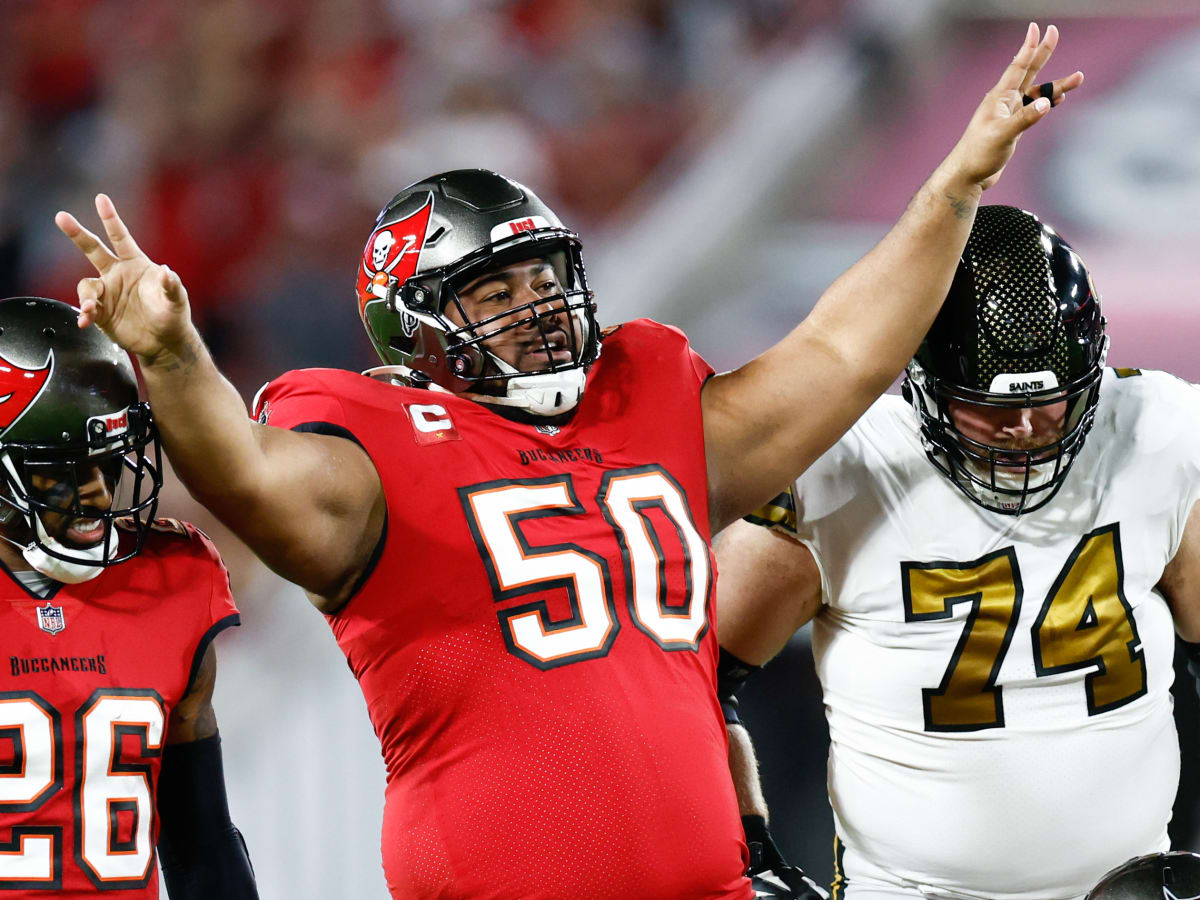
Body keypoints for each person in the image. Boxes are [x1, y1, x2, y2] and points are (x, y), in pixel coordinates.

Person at [54, 24, 1080, 900]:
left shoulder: (648, 405)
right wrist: (175, 355)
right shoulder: (371, 451)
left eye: (543, 277)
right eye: (493, 293)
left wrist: (958, 182)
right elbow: (245, 474)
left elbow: (842, 354)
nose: (536, 307)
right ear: (415, 333)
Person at [715, 205, 1200, 900]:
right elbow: (689, 683)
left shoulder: (1158, 436)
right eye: (992, 410)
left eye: (1050, 403)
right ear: (922, 379)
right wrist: (749, 850)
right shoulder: (843, 468)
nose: (1026, 431)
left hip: (1128, 885)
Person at [0, 297, 258, 898]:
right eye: (62, 468)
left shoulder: (174, 580)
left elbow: (200, 839)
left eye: (106, 462)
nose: (96, 494)